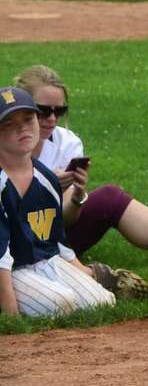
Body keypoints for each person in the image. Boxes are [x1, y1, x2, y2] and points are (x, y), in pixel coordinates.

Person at [14, 65, 148, 297]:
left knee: (109, 197)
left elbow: (64, 221)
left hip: (52, 234)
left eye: (60, 111)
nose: (52, 118)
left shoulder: (67, 142)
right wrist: (42, 187)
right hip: (12, 239)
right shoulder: (8, 143)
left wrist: (75, 196)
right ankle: (90, 275)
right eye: (43, 111)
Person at [1, 86, 116, 317]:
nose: (22, 127)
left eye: (28, 118)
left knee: (103, 302)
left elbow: (58, 241)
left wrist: (84, 274)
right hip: (10, 270)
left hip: (44, 262)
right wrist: (10, 316)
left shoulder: (46, 179)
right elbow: (1, 256)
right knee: (60, 304)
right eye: (8, 124)